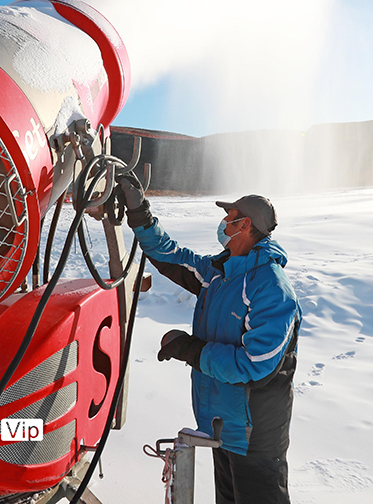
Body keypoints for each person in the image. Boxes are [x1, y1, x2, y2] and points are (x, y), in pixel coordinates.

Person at [117, 175, 301, 504]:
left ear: (244, 225)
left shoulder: (270, 286)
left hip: (255, 437)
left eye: (228, 217)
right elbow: (171, 255)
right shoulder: (220, 272)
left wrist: (191, 350)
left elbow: (254, 364)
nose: (223, 223)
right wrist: (140, 215)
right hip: (223, 425)